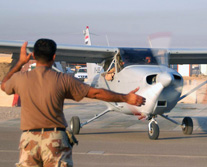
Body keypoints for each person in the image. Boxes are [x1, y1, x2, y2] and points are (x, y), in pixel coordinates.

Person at [1, 39, 146, 167]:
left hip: (29, 140)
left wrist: (20, 62)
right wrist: (126, 98)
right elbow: (95, 93)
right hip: (55, 140)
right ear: (54, 57)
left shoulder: (20, 78)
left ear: (33, 56)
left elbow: (4, 85)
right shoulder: (63, 79)